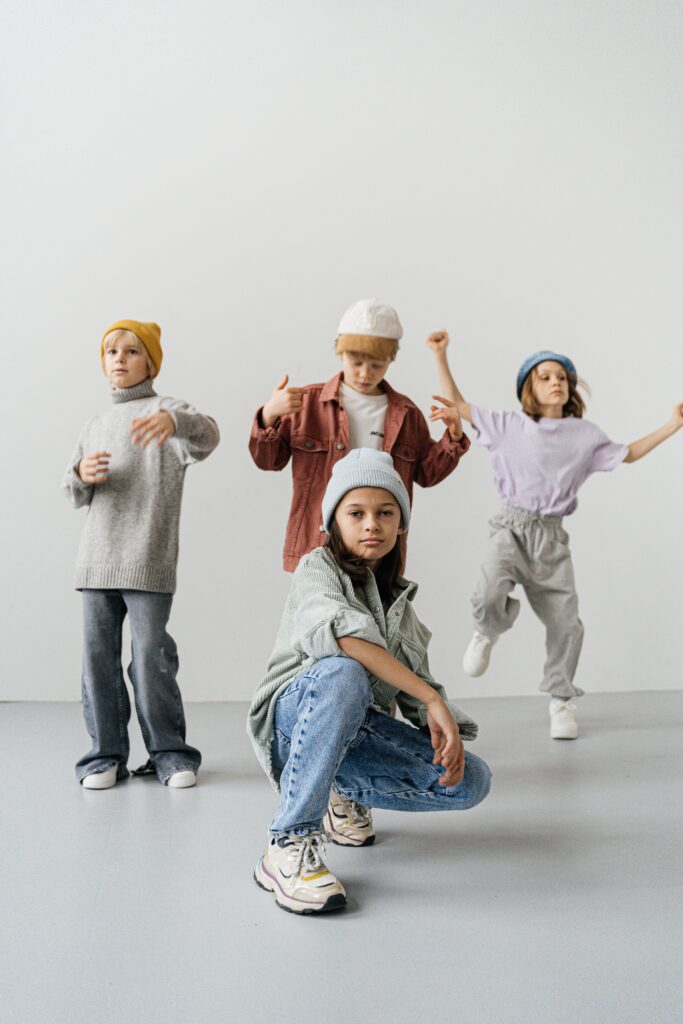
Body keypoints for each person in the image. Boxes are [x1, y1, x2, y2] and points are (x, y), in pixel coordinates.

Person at [248, 448, 491, 914]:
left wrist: (443, 723)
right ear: (333, 522)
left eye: (385, 513)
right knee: (345, 671)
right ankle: (287, 844)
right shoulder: (315, 569)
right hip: (291, 726)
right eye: (355, 513)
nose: (371, 525)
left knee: (471, 781)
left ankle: (341, 792)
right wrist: (426, 698)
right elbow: (343, 636)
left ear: (401, 524)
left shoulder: (401, 606)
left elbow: (419, 684)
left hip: (355, 731)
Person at [429, 330, 683, 739]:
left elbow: (629, 454)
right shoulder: (508, 425)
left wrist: (673, 424)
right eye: (546, 376)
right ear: (530, 386)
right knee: (489, 588)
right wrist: (440, 355)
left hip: (551, 539)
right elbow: (457, 406)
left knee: (566, 623)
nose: (556, 382)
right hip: (510, 528)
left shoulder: (585, 436)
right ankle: (487, 629)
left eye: (562, 376)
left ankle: (561, 700)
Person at [63, 319, 220, 788]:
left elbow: (209, 436)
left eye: (132, 351)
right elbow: (72, 492)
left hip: (148, 558)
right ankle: (104, 757)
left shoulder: (167, 410)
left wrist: (175, 422)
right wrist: (80, 474)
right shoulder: (95, 423)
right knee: (97, 659)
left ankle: (171, 755)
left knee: (151, 655)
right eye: (112, 351)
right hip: (95, 560)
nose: (119, 358)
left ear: (150, 361)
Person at [249, 297, 469, 571]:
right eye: (356, 362)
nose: (365, 373)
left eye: (377, 365)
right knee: (319, 613)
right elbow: (268, 461)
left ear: (392, 358)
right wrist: (270, 415)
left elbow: (427, 474)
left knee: (379, 615)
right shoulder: (307, 404)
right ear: (340, 352)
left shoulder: (406, 414)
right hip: (317, 544)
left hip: (379, 550)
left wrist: (454, 436)